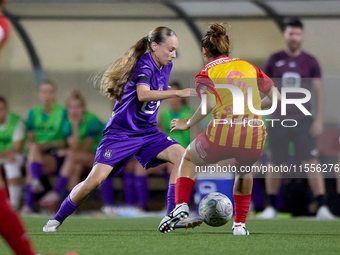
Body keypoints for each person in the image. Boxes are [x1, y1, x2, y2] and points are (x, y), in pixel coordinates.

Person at [43, 26, 195, 232]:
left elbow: (154, 89)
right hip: (121, 134)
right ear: (154, 46)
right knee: (94, 181)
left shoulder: (165, 65)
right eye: (170, 49)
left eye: (175, 50)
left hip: (147, 132)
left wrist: (169, 90)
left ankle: (171, 216)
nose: (174, 54)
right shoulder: (144, 65)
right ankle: (56, 219)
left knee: (182, 156)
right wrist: (178, 92)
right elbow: (142, 94)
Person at [158, 22, 280, 235]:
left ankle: (181, 205)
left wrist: (187, 123)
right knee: (244, 173)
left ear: (204, 52)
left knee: (188, 158)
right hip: (254, 135)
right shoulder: (250, 67)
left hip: (222, 135)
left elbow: (210, 105)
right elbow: (276, 98)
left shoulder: (205, 73)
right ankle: (240, 225)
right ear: (228, 49)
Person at [258, 18, 335, 220]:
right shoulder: (273, 60)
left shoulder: (310, 61)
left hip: (303, 121)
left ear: (302, 36)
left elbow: (318, 92)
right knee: (274, 162)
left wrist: (318, 120)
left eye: (298, 34)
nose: (294, 37)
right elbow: (266, 90)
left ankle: (322, 206)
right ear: (285, 35)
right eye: (291, 33)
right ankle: (271, 207)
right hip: (278, 119)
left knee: (311, 161)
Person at [39, 90, 103, 213]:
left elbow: (85, 149)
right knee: (76, 167)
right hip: (80, 159)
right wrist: (74, 125)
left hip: (100, 159)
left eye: (77, 107)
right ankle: (71, 208)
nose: (74, 110)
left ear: (83, 108)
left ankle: (56, 192)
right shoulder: (68, 123)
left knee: (73, 157)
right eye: (71, 107)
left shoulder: (92, 121)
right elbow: (74, 149)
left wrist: (68, 152)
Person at [22, 80, 68, 213]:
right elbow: (30, 140)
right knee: (33, 151)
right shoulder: (32, 113)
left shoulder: (62, 112)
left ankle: (28, 204)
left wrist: (48, 144)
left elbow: (66, 143)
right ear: (39, 95)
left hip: (55, 155)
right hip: (38, 154)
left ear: (54, 94)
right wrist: (33, 145)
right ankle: (35, 184)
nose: (46, 95)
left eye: (50, 92)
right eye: (43, 92)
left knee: (31, 163)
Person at [0, 96, 25, 210]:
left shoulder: (16, 122)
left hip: (16, 155)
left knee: (11, 164)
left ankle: (13, 206)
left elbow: (17, 148)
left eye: (1, 109)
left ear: (6, 109)